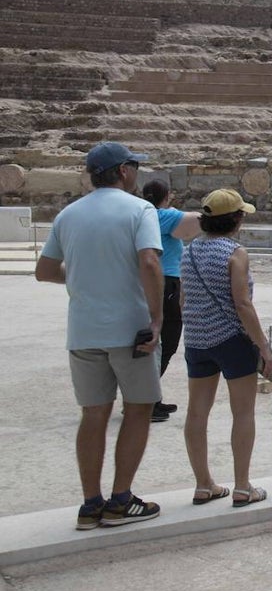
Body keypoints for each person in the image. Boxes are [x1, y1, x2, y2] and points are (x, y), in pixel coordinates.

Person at [36, 142, 164, 530]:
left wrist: (80, 282)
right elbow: (149, 261)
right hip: (130, 329)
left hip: (84, 329)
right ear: (124, 171)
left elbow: (44, 270)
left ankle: (90, 503)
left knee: (93, 414)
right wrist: (157, 319)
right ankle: (120, 500)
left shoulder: (69, 214)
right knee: (139, 407)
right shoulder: (140, 209)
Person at [180, 189, 272, 509]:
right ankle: (242, 486)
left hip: (197, 339)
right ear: (234, 219)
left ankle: (203, 483)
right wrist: (263, 346)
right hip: (232, 340)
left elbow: (184, 300)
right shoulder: (236, 253)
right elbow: (242, 304)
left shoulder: (188, 252)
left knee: (197, 412)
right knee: (243, 412)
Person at [142, 179, 201, 422]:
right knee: (167, 341)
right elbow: (196, 220)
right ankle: (146, 400)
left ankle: (149, 398)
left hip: (152, 281)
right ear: (165, 197)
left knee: (155, 342)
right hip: (166, 280)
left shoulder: (142, 215)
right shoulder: (162, 216)